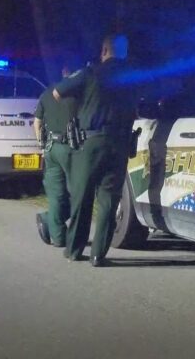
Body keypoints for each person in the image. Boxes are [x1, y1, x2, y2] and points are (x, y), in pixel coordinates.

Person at [53, 34, 139, 267]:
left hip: (91, 142)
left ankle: (74, 249)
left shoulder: (90, 73)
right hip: (120, 143)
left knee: (82, 196)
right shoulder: (134, 77)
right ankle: (98, 255)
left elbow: (57, 93)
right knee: (109, 200)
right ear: (125, 53)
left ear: (104, 51)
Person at [34, 63, 77, 247]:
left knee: (57, 195)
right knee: (79, 193)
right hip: (71, 148)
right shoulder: (77, 94)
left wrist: (41, 145)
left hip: (51, 148)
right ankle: (52, 223)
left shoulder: (46, 93)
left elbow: (37, 122)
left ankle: (57, 235)